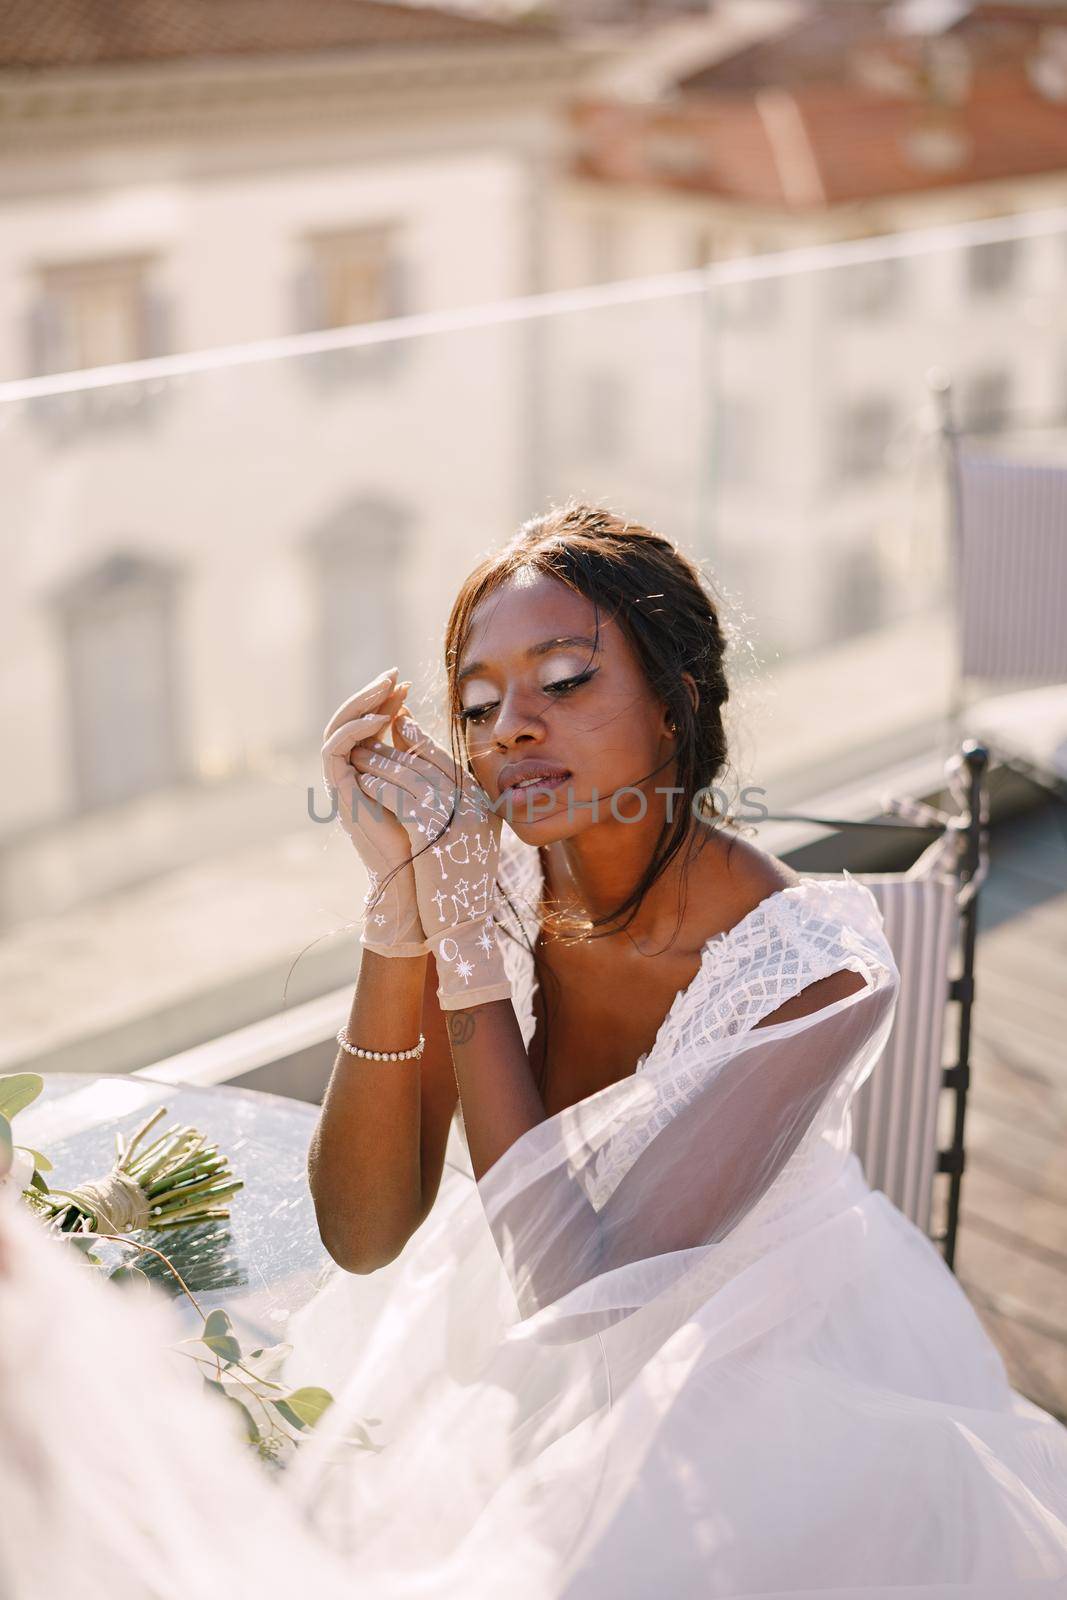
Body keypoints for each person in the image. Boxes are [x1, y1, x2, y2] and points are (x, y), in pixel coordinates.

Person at [293, 502, 1067, 1596]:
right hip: (526, 1370)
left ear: (671, 703)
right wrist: (399, 911)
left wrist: (458, 934)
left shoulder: (813, 968)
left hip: (765, 1394)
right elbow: (363, 1233)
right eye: (476, 703)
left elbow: (583, 1300)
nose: (508, 725)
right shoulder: (488, 884)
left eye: (562, 681)